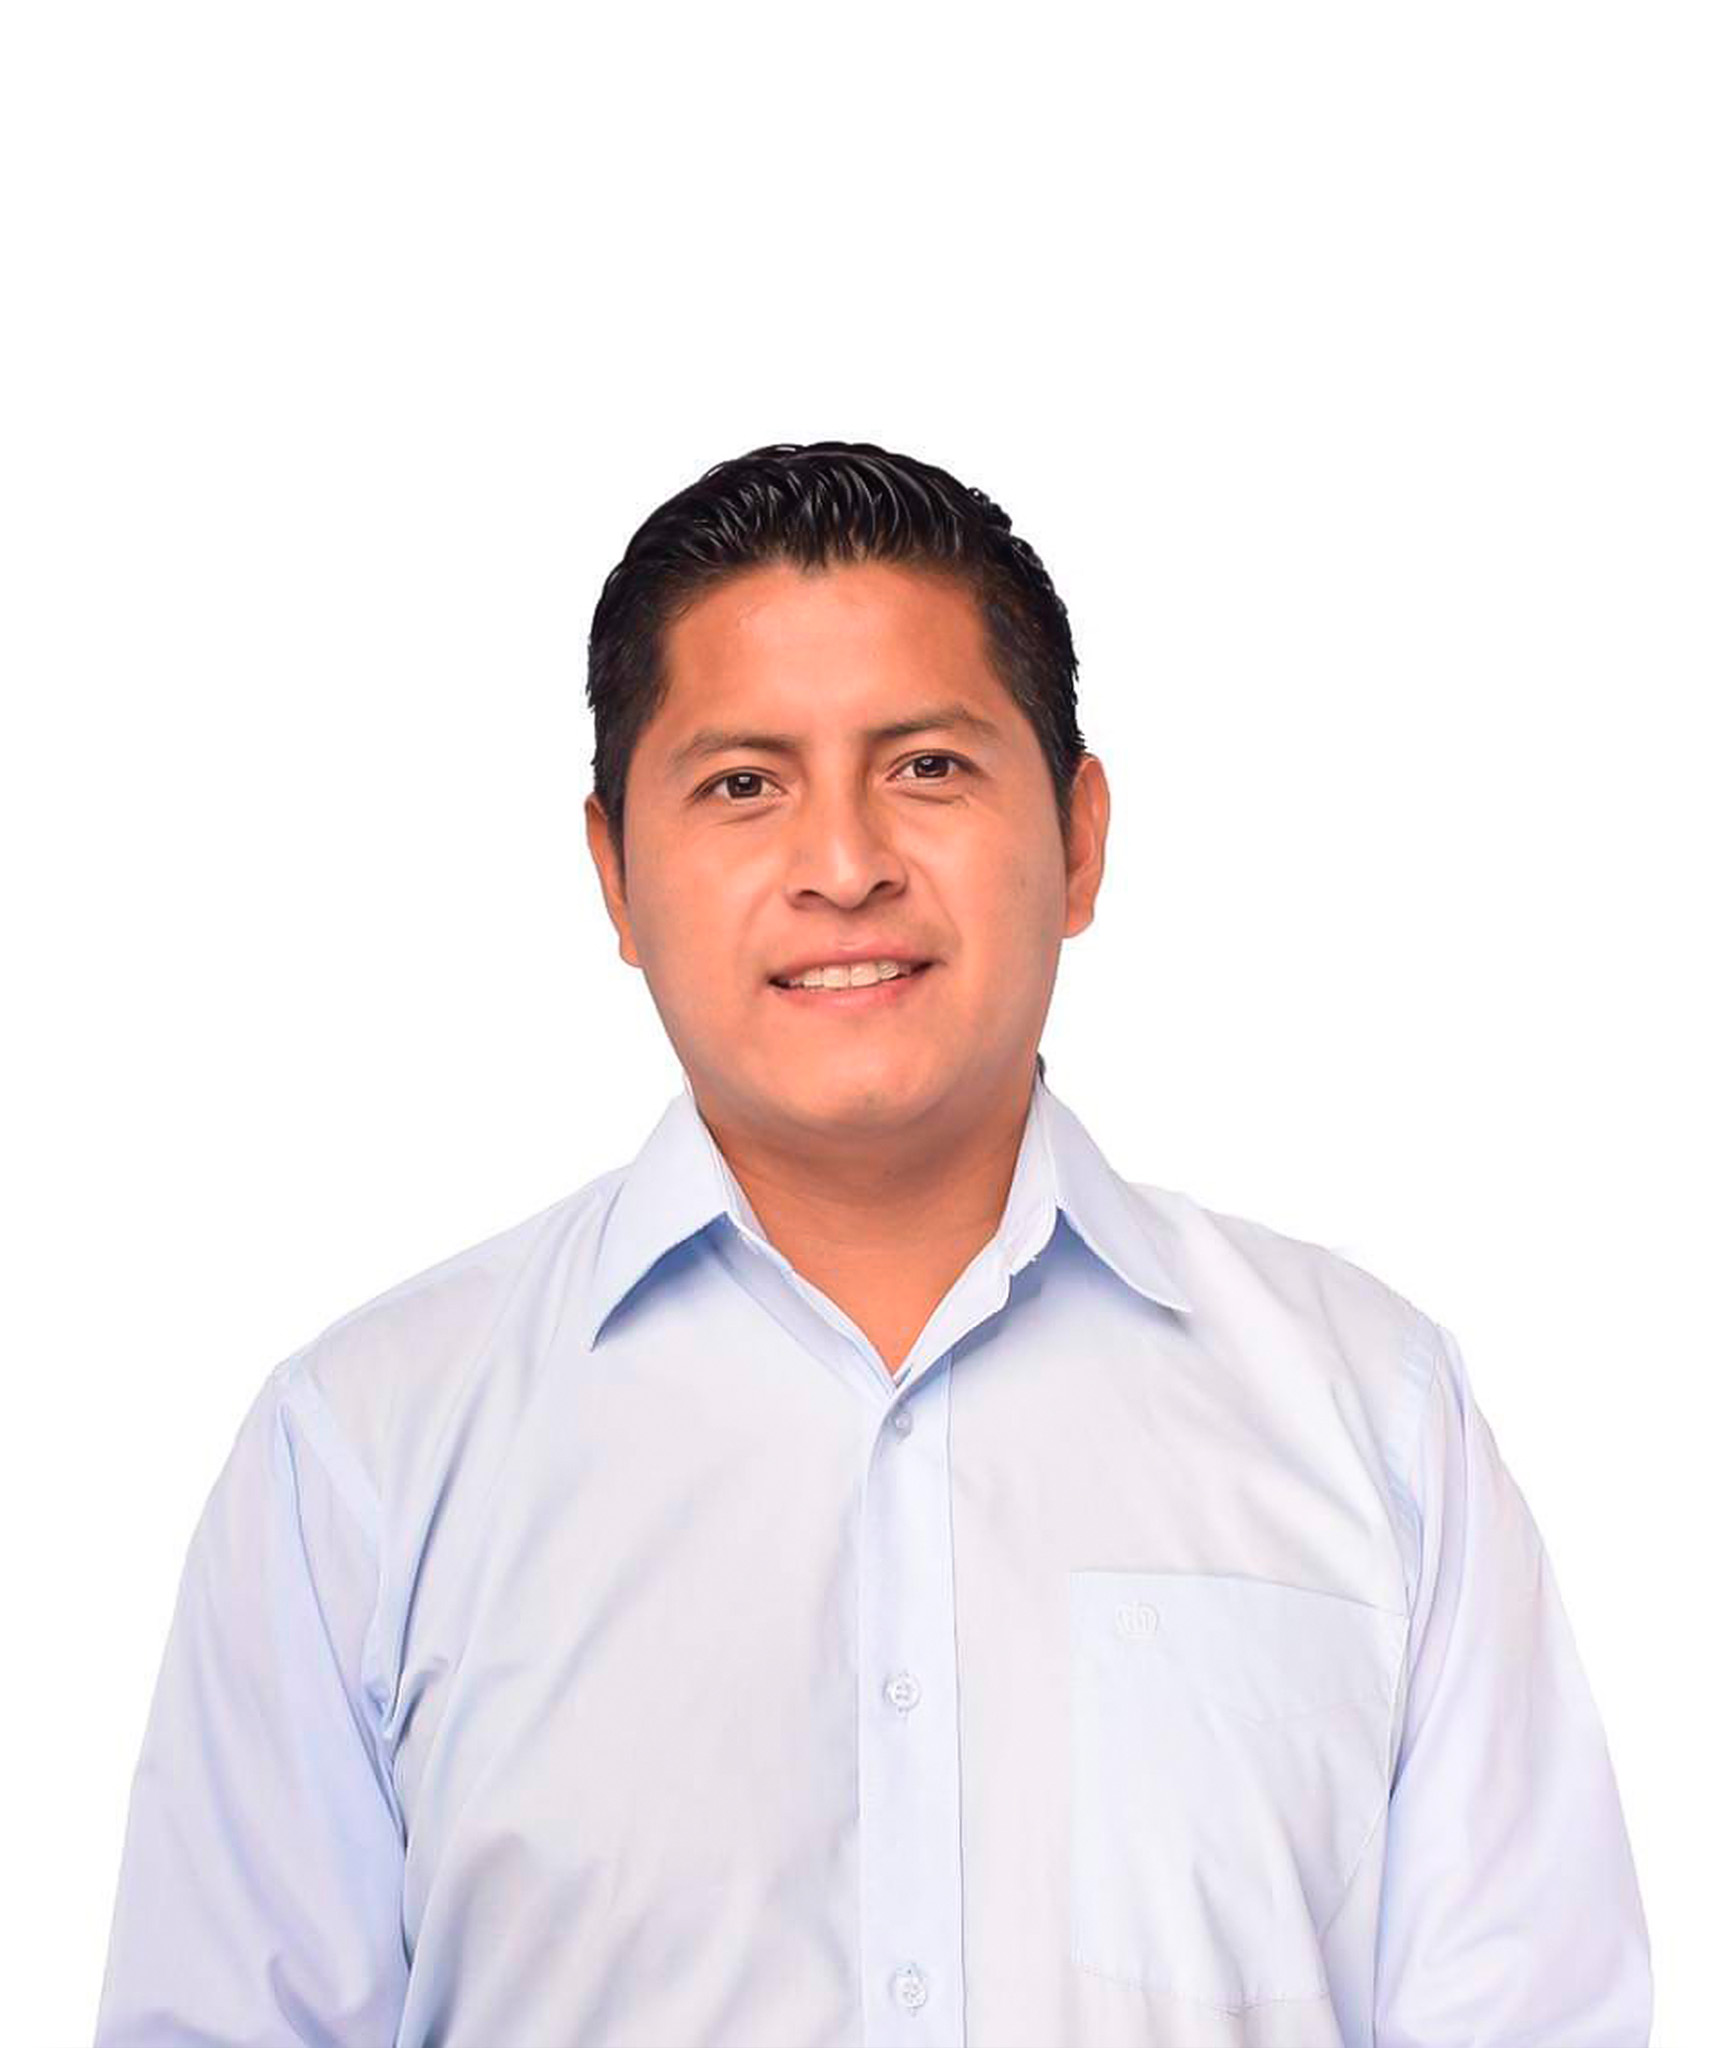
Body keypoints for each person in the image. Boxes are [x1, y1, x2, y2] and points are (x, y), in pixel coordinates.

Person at [93, 441, 1652, 2046]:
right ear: (614, 874)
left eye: (927, 767)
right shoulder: (364, 1452)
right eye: (743, 785)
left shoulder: (1370, 1417)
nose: (844, 867)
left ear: (1082, 838)